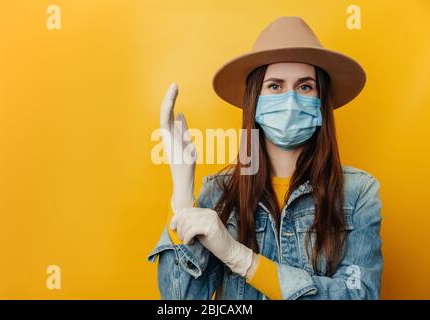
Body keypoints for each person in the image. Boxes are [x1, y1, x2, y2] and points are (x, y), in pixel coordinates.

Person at [147, 16, 383, 300]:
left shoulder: (359, 193)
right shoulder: (219, 194)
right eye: (275, 86)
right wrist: (182, 196)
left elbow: (360, 296)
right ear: (254, 101)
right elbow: (179, 302)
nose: (291, 100)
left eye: (305, 86)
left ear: (321, 103)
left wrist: (241, 258)